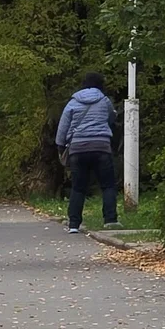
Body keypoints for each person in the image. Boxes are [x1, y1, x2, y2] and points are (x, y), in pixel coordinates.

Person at [55, 72, 121, 234]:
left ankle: (74, 224)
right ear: (101, 85)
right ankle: (110, 220)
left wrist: (61, 147)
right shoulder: (105, 101)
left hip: (78, 148)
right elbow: (112, 117)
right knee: (107, 185)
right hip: (101, 147)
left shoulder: (72, 103)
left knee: (78, 187)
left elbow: (62, 128)